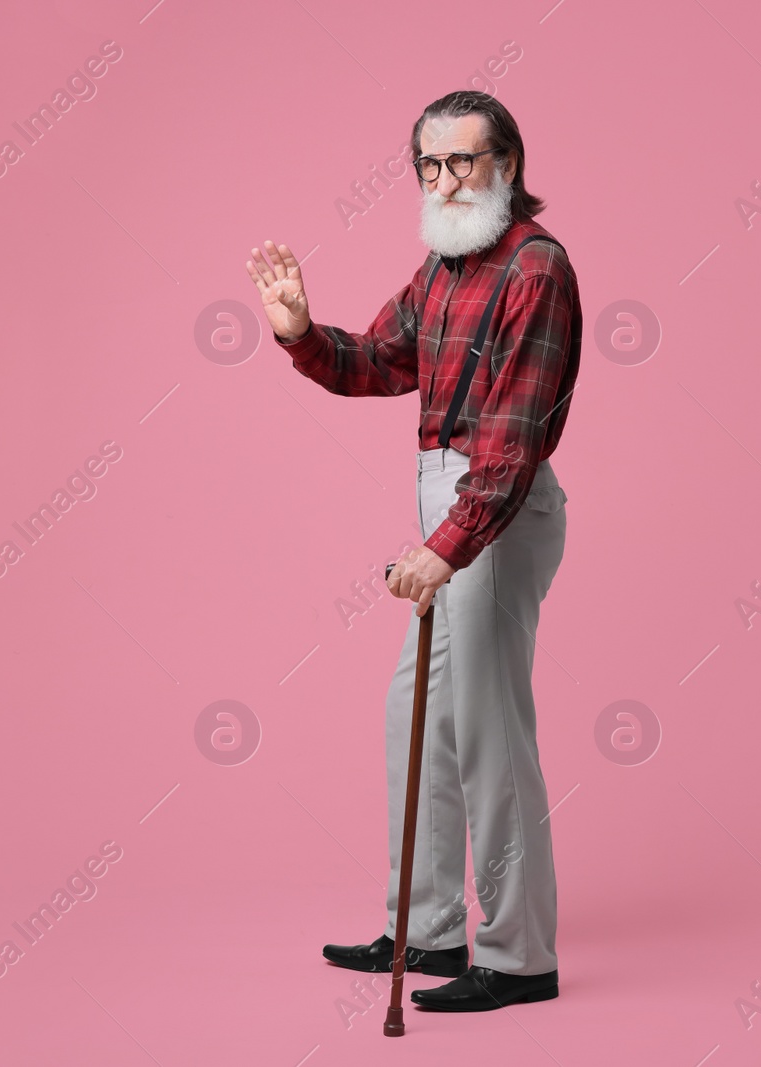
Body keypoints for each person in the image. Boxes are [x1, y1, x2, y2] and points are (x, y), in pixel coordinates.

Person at [245, 90, 582, 1013]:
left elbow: (511, 443)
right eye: (429, 165)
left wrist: (447, 547)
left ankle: (518, 956)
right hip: (450, 504)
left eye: (462, 162)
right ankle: (429, 930)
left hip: (495, 513)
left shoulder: (534, 268)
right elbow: (377, 363)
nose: (443, 179)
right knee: (418, 722)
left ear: (507, 165)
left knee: (488, 731)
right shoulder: (444, 265)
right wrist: (300, 334)